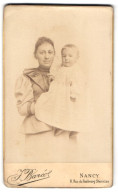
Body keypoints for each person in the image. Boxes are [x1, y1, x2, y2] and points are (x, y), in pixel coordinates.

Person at [15, 38, 79, 162]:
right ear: (35, 55)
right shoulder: (26, 78)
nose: (46, 56)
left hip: (63, 131)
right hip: (38, 132)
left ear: (55, 54)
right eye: (42, 52)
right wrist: (43, 105)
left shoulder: (66, 74)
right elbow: (21, 109)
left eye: (50, 52)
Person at [35, 44, 80, 137]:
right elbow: (57, 74)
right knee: (56, 108)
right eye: (64, 56)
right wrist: (53, 77)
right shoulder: (61, 67)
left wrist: (74, 92)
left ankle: (71, 128)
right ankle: (58, 125)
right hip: (58, 93)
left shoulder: (75, 70)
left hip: (68, 94)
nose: (66, 58)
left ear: (76, 58)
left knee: (69, 111)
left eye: (70, 56)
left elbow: (77, 82)